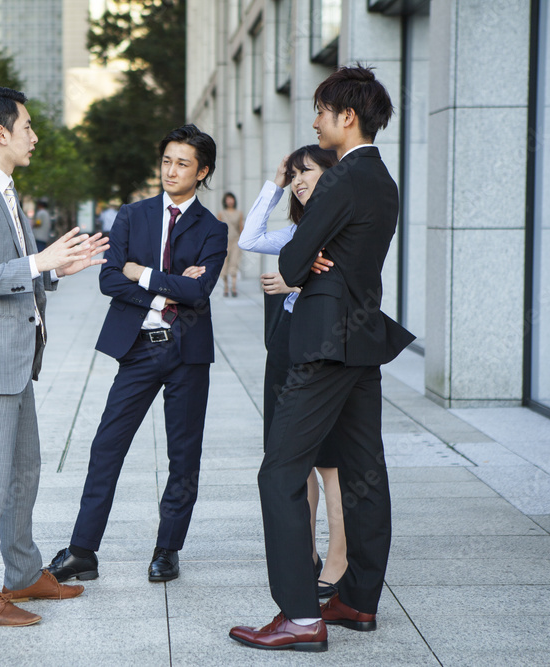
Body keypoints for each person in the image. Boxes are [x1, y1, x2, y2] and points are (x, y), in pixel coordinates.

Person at [229, 65, 415, 652]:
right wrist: (314, 257)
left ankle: (300, 616)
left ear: (347, 116)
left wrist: (304, 262)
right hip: (361, 343)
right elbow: (320, 255)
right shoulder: (382, 178)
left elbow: (288, 265)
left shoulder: (339, 180)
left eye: (320, 110)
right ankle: (357, 600)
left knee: (280, 470)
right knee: (364, 472)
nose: (314, 121)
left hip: (325, 343)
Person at [0, 86, 109, 627]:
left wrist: (55, 268)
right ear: (0, 133)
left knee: (23, 467)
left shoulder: (3, 188)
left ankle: (24, 572)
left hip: (11, 358)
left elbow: (12, 268)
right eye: (27, 126)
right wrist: (39, 263)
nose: (35, 135)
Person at [46, 124, 227, 584]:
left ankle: (168, 549)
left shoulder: (213, 230)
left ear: (202, 171)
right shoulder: (132, 215)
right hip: (139, 349)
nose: (171, 170)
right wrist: (165, 292)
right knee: (106, 446)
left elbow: (199, 290)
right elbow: (109, 279)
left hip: (188, 354)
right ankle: (83, 550)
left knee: (183, 456)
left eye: (183, 163)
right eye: (166, 160)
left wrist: (140, 273)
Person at [238, 145, 348, 603]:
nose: (301, 180)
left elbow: (345, 281)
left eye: (309, 172)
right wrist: (276, 183)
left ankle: (339, 555)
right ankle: (303, 553)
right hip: (286, 342)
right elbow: (248, 238)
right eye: (296, 173)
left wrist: (294, 278)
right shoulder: (297, 231)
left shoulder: (344, 226)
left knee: (330, 461)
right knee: (290, 456)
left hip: (323, 347)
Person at [217, 192, 243, 297]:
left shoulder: (239, 213)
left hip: (236, 241)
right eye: (228, 199)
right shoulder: (221, 213)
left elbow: (241, 227)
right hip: (224, 241)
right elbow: (218, 228)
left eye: (231, 199)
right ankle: (226, 287)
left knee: (234, 263)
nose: (230, 201)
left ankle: (234, 287)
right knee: (224, 265)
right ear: (225, 201)